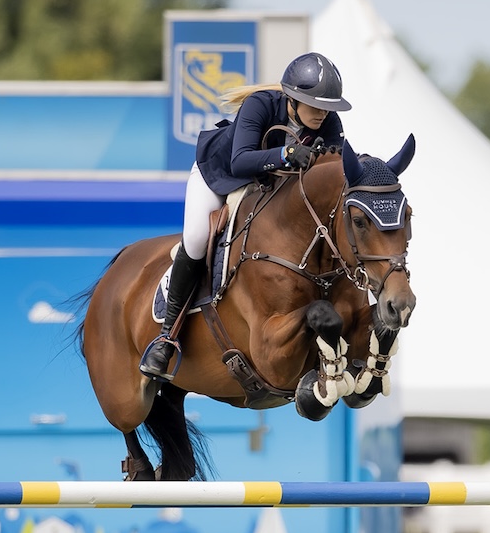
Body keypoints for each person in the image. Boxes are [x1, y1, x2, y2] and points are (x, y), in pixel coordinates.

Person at [139, 52, 354, 380]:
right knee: (196, 238)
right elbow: (240, 162)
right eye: (315, 105)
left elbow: (333, 170)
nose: (322, 113)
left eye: (327, 107)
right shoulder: (260, 105)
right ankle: (167, 337)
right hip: (220, 176)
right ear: (293, 99)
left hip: (266, 188)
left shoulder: (330, 122)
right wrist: (286, 153)